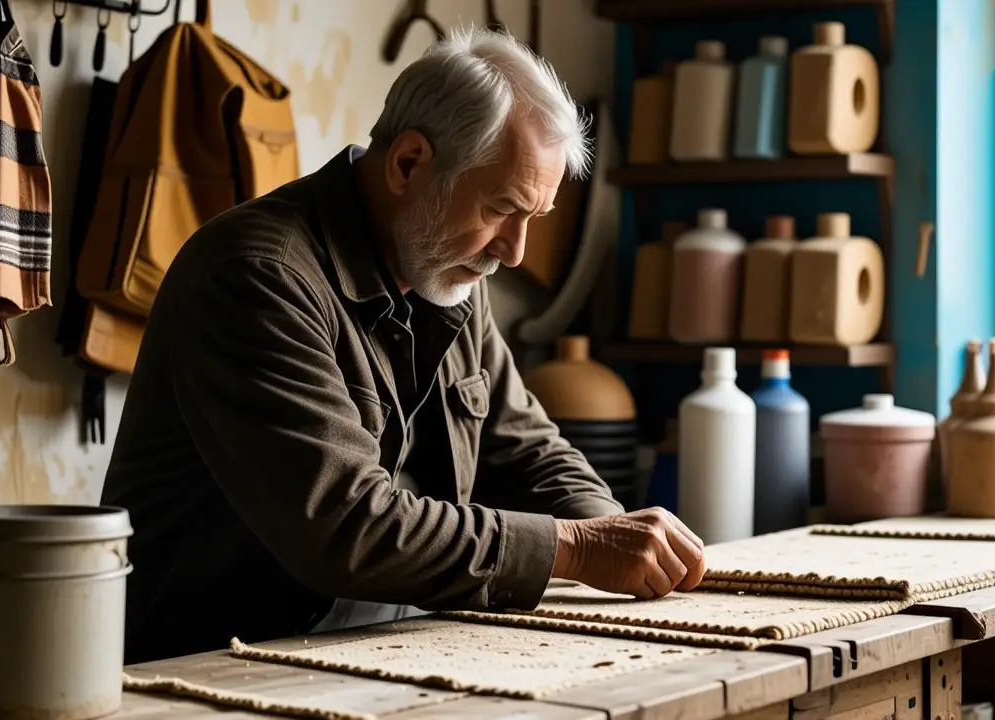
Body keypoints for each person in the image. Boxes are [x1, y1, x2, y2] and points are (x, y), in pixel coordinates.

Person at [100, 27, 707, 665]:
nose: (515, 251)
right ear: (409, 163)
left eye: (534, 218)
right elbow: (347, 528)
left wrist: (623, 541)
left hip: (381, 648)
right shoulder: (257, 276)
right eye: (503, 209)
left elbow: (526, 450)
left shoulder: (446, 273)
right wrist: (578, 548)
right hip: (212, 669)